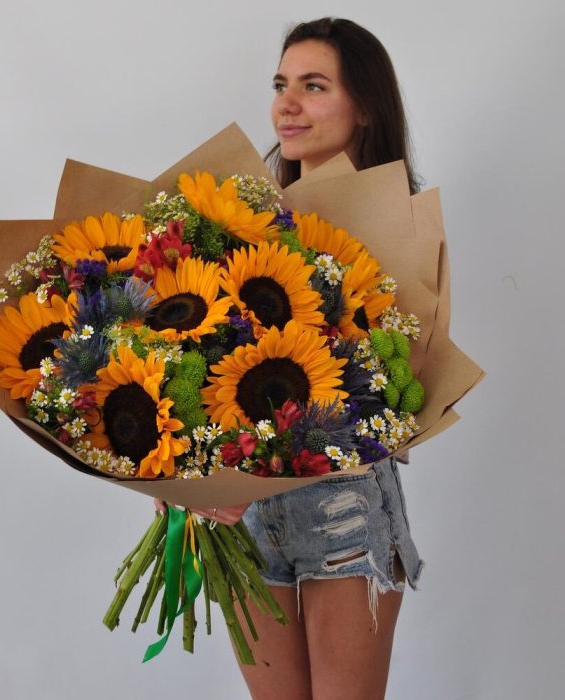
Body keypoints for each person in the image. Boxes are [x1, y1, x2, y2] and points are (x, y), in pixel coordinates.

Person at [160, 18, 424, 699]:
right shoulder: (235, 223)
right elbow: (193, 371)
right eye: (281, 85)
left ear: (364, 106)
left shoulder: (400, 231)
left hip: (346, 512)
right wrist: (182, 472)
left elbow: (397, 397)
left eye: (314, 86)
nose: (287, 104)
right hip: (243, 520)